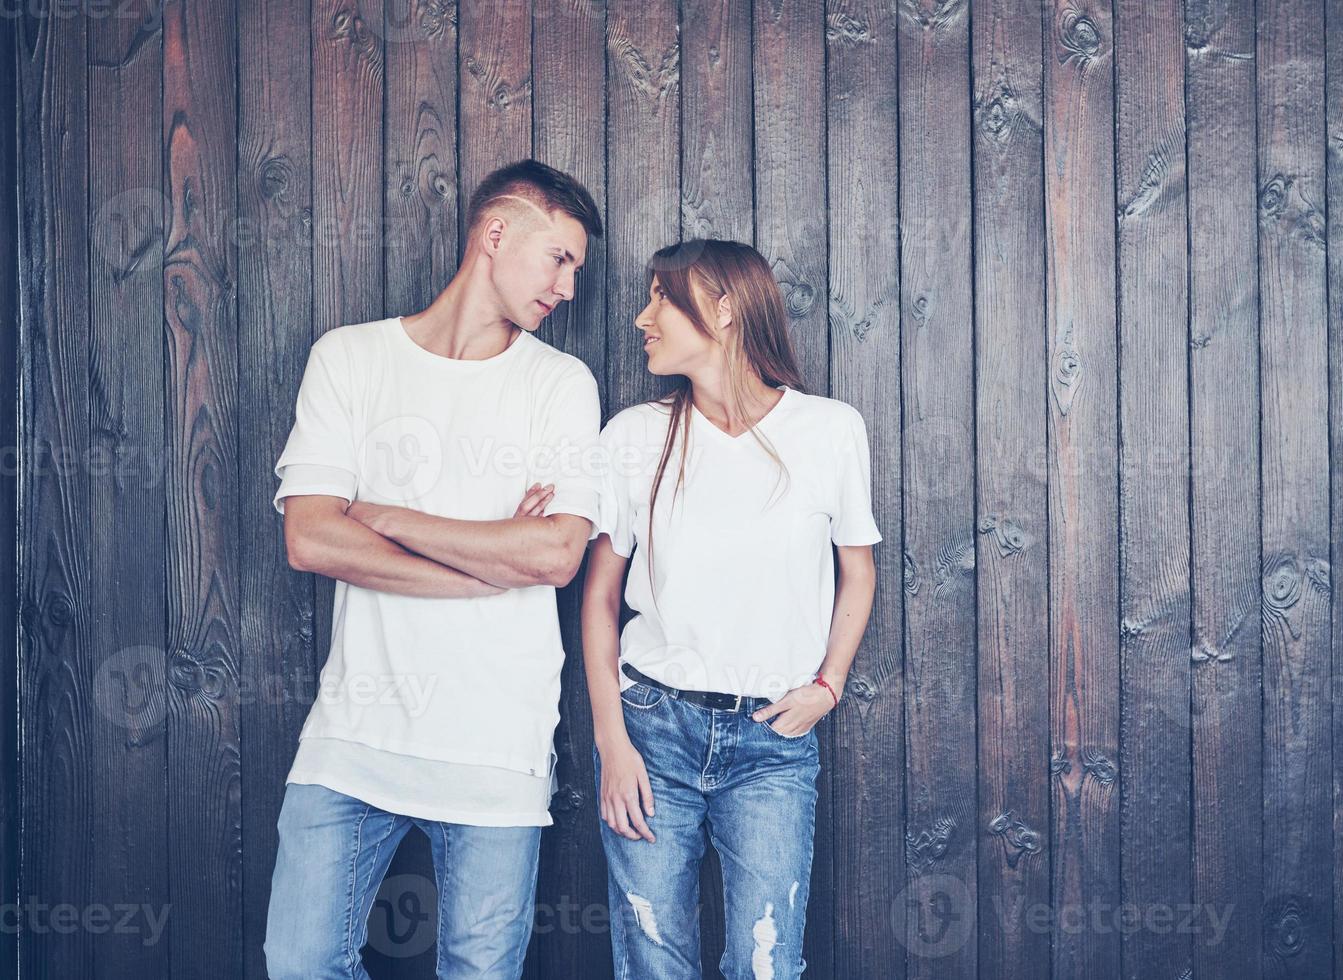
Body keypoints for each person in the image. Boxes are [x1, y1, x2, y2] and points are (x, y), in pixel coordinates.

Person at [262, 159, 603, 979]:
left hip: (497, 753)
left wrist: (384, 518)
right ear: (495, 233)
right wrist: (489, 564)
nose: (567, 286)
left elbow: (556, 553)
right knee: (300, 965)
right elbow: (310, 539)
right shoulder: (349, 359)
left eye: (578, 270)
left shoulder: (560, 384)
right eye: (558, 257)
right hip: (352, 744)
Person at [580, 239, 881, 978]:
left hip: (772, 742)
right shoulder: (632, 436)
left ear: (723, 308)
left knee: (767, 964)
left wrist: (829, 685)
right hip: (652, 731)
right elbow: (598, 600)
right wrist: (613, 743)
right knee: (653, 962)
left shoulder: (830, 430)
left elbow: (860, 571)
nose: (642, 316)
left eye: (661, 297)